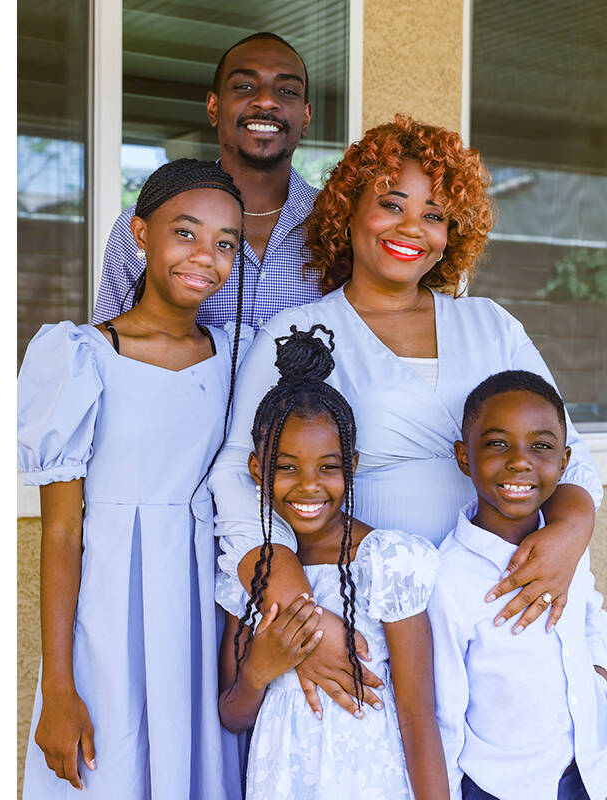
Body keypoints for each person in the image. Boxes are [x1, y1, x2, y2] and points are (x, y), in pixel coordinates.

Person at [208, 115, 603, 719]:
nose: (412, 228)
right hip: (363, 615)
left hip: (499, 604)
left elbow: (567, 452)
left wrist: (570, 539)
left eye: (435, 214)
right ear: (347, 208)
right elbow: (241, 476)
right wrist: (297, 614)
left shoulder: (492, 325)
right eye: (392, 204)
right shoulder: (296, 335)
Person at [19, 159, 251, 798]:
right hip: (110, 613)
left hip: (206, 608)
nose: (205, 255)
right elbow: (63, 534)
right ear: (141, 234)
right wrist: (59, 688)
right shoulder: (81, 356)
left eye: (225, 243)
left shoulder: (242, 356)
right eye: (186, 232)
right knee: (113, 767)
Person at [217, 325, 447, 800]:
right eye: (286, 467)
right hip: (281, 783)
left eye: (328, 467)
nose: (308, 486)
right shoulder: (252, 576)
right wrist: (262, 667)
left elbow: (420, 716)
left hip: (371, 781)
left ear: (353, 466)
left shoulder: (386, 561)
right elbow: (232, 715)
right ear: (257, 469)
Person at [429, 371, 607, 800]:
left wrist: (599, 670)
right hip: (501, 785)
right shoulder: (447, 577)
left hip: (587, 766)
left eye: (540, 446)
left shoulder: (568, 545)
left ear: (564, 462)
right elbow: (444, 712)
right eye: (497, 443)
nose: (520, 461)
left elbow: (589, 612)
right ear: (464, 457)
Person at [94, 32, 320, 329]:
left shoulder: (341, 226)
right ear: (214, 107)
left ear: (306, 117)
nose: (266, 100)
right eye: (245, 86)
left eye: (287, 91)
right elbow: (110, 351)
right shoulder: (147, 224)